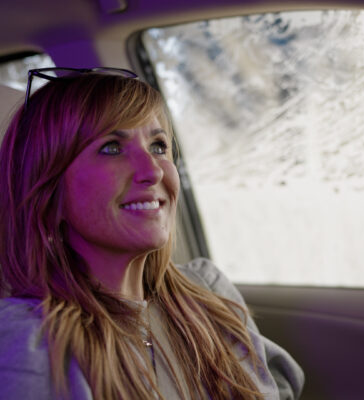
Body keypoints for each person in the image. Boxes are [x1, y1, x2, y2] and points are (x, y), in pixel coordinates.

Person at [0, 67, 304, 400]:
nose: (153, 169)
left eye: (159, 146)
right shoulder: (34, 341)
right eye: (112, 148)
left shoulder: (210, 296)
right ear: (50, 192)